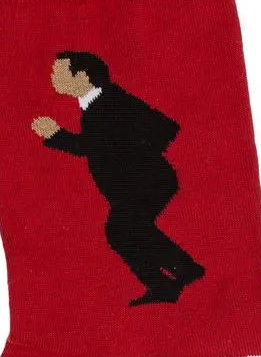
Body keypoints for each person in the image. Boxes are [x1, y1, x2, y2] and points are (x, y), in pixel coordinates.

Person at [32, 51, 204, 306]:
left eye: (59, 72)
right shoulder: (95, 102)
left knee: (120, 229)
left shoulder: (109, 101)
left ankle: (178, 275)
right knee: (128, 230)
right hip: (136, 186)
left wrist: (57, 135)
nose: (53, 77)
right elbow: (101, 143)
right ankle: (177, 276)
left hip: (149, 183)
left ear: (82, 77)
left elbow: (161, 129)